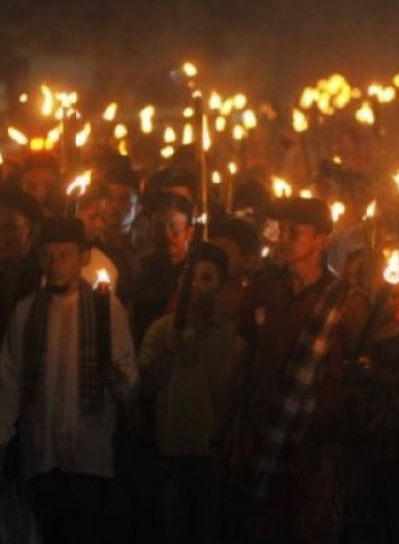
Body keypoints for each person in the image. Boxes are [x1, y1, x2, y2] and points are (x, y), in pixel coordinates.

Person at [215, 197, 368, 544]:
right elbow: (243, 358)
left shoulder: (348, 302)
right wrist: (227, 423)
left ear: (322, 239)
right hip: (261, 430)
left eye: (294, 232)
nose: (283, 239)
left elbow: (357, 376)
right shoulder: (263, 287)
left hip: (314, 447)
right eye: (281, 231)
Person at [0, 217, 140, 544]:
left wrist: (120, 379)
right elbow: (9, 374)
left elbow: (127, 374)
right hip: (42, 450)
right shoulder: (27, 311)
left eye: (63, 255)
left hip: (90, 453)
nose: (54, 264)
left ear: (83, 258)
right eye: (47, 256)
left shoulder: (107, 310)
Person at [138, 242, 236, 544]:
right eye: (189, 277)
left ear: (220, 284)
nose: (195, 286)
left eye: (206, 279)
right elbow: (143, 385)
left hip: (213, 452)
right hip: (172, 449)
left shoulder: (231, 333)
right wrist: (165, 354)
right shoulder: (160, 329)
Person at [132, 191, 196, 342]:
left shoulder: (196, 270)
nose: (167, 235)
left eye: (174, 228)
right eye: (159, 227)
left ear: (189, 233)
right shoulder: (141, 268)